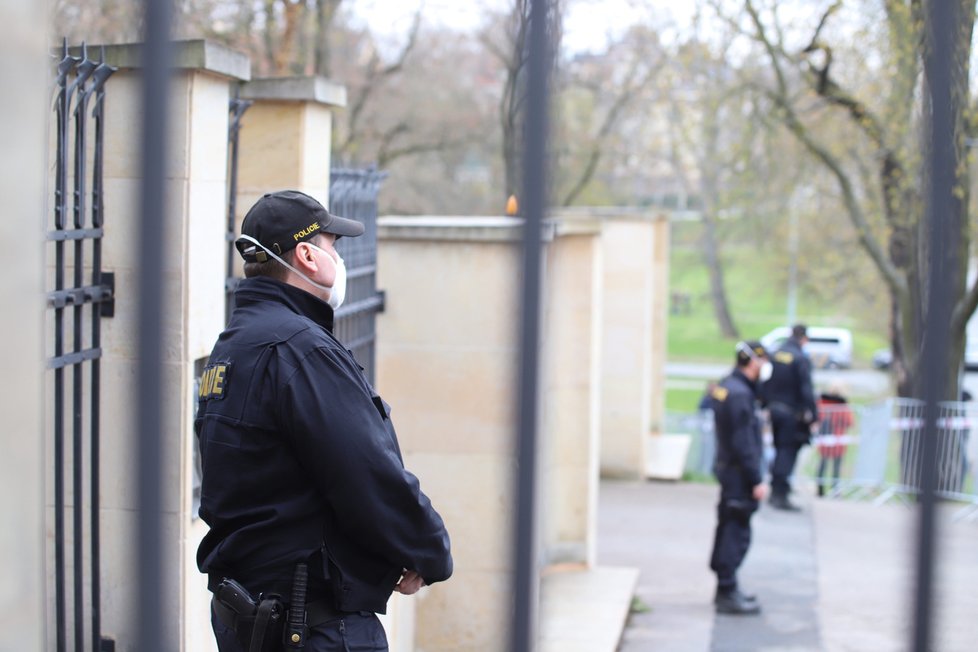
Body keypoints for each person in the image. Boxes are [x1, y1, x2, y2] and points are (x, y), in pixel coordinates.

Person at [195, 190, 453, 652]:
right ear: (308, 256)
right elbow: (365, 471)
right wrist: (428, 550)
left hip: (249, 615)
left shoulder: (232, 346)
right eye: (333, 246)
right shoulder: (302, 349)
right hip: (312, 623)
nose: (339, 257)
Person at [709, 341, 770, 615]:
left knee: (728, 526)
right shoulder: (740, 395)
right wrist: (756, 479)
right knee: (736, 531)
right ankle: (727, 589)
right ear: (753, 362)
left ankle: (726, 587)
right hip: (739, 474)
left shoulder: (727, 387)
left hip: (728, 468)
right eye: (763, 361)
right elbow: (743, 441)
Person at [764, 324, 819, 511]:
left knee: (779, 450)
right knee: (787, 453)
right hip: (790, 414)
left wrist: (766, 404)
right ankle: (780, 494)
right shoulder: (800, 358)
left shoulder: (777, 353)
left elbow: (767, 381)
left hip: (774, 410)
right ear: (804, 338)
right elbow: (806, 389)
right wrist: (814, 415)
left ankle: (776, 489)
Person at [815, 384, 854, 497]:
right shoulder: (843, 406)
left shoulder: (823, 403)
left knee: (823, 464)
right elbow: (849, 422)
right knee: (835, 467)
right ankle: (835, 490)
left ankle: (820, 489)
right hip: (837, 440)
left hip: (827, 441)